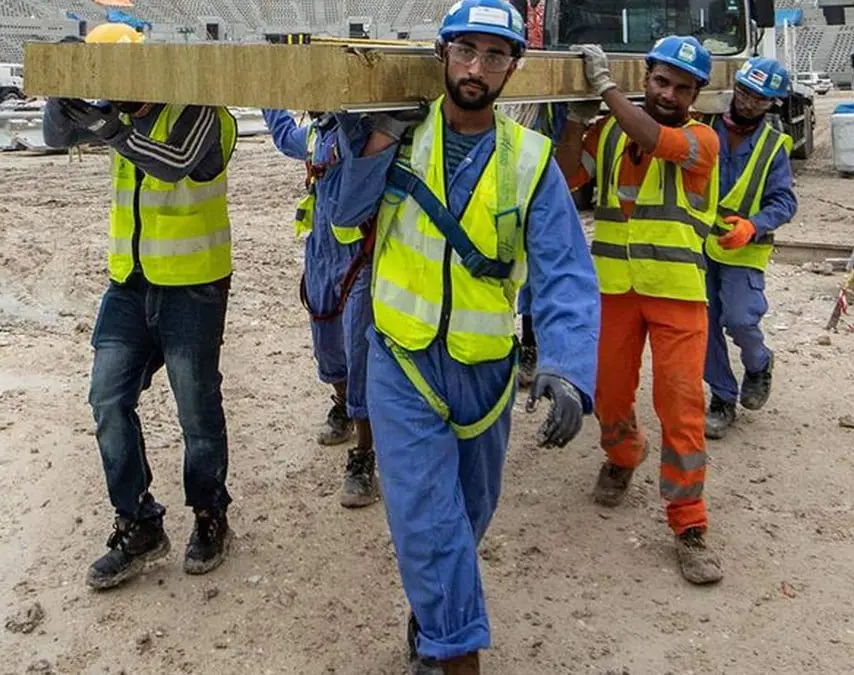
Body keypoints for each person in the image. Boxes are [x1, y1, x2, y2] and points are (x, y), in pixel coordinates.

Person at [329, 0, 600, 669]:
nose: (478, 68)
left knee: (467, 516)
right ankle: (451, 649)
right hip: (402, 362)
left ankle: (434, 612)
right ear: (443, 55)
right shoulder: (398, 138)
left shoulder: (530, 161)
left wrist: (567, 367)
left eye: (495, 55)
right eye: (467, 51)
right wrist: (371, 144)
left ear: (514, 66)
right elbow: (341, 222)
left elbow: (565, 272)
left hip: (486, 371)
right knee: (426, 518)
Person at [43, 23, 238, 590]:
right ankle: (138, 521)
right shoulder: (116, 115)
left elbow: (173, 161)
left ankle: (209, 513)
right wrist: (63, 90)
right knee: (106, 398)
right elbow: (57, 136)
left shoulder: (203, 107)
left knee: (197, 412)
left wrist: (105, 123)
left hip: (193, 286)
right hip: (128, 284)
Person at [557, 36, 724, 584]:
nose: (669, 93)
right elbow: (567, 178)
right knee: (607, 393)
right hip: (616, 290)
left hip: (677, 295)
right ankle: (622, 455)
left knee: (681, 409)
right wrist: (577, 122)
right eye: (660, 81)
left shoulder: (700, 139)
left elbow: (654, 138)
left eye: (682, 87)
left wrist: (604, 88)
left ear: (696, 94)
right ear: (647, 78)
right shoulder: (609, 133)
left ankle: (689, 524)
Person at [261, 107, 379, 507]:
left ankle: (364, 455)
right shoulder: (315, 133)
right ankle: (343, 404)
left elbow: (356, 143)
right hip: (321, 255)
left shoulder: (358, 129)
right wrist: (269, 96)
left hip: (357, 256)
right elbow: (283, 136)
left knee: (360, 352)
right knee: (326, 345)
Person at [700, 57, 798, 439]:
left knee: (740, 319)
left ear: (772, 103)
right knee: (704, 324)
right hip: (700, 244)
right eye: (743, 92)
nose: (746, 102)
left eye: (758, 98)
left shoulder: (773, 147)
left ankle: (758, 364)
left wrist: (753, 226)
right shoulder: (705, 127)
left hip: (744, 249)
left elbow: (785, 202)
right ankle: (722, 397)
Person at [497, 101, 573, 388]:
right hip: (501, 181)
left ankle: (533, 346)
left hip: (538, 181)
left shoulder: (550, 98)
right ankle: (518, 344)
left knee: (540, 270)